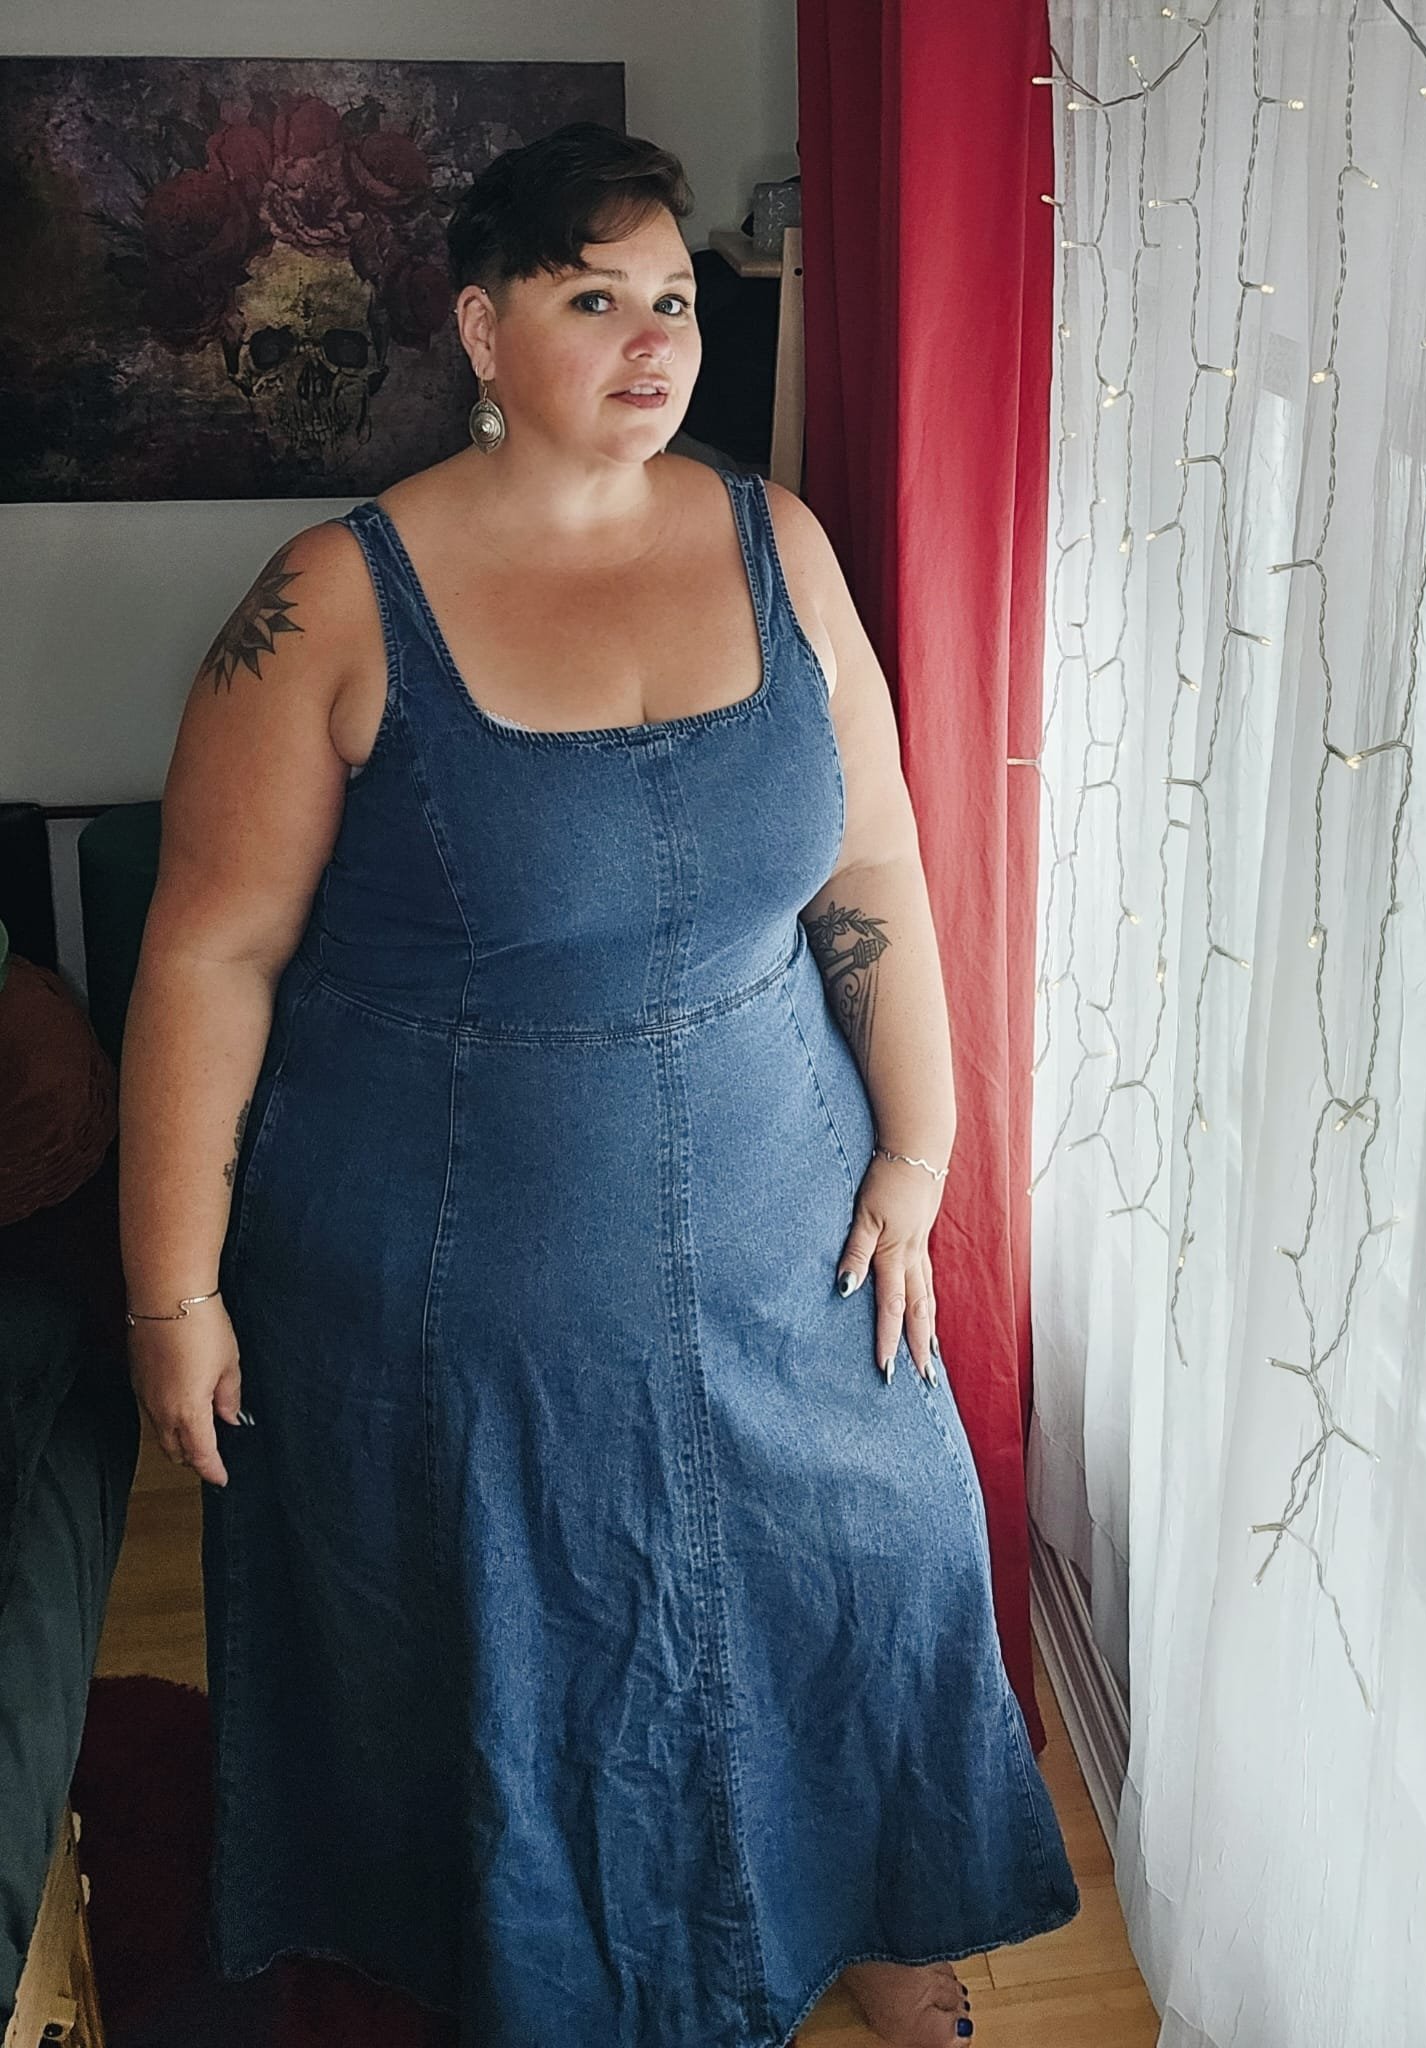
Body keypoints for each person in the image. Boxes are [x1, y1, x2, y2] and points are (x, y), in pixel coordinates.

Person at [118, 120, 1080, 2048]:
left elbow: (872, 856)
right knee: (535, 1668)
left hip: (778, 1225)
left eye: (673, 301)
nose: (654, 343)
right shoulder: (330, 600)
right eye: (592, 300)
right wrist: (174, 1287)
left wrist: (920, 1144)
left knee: (870, 1572)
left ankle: (884, 1921)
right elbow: (207, 953)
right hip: (449, 1276)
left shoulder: (775, 538)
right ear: (480, 329)